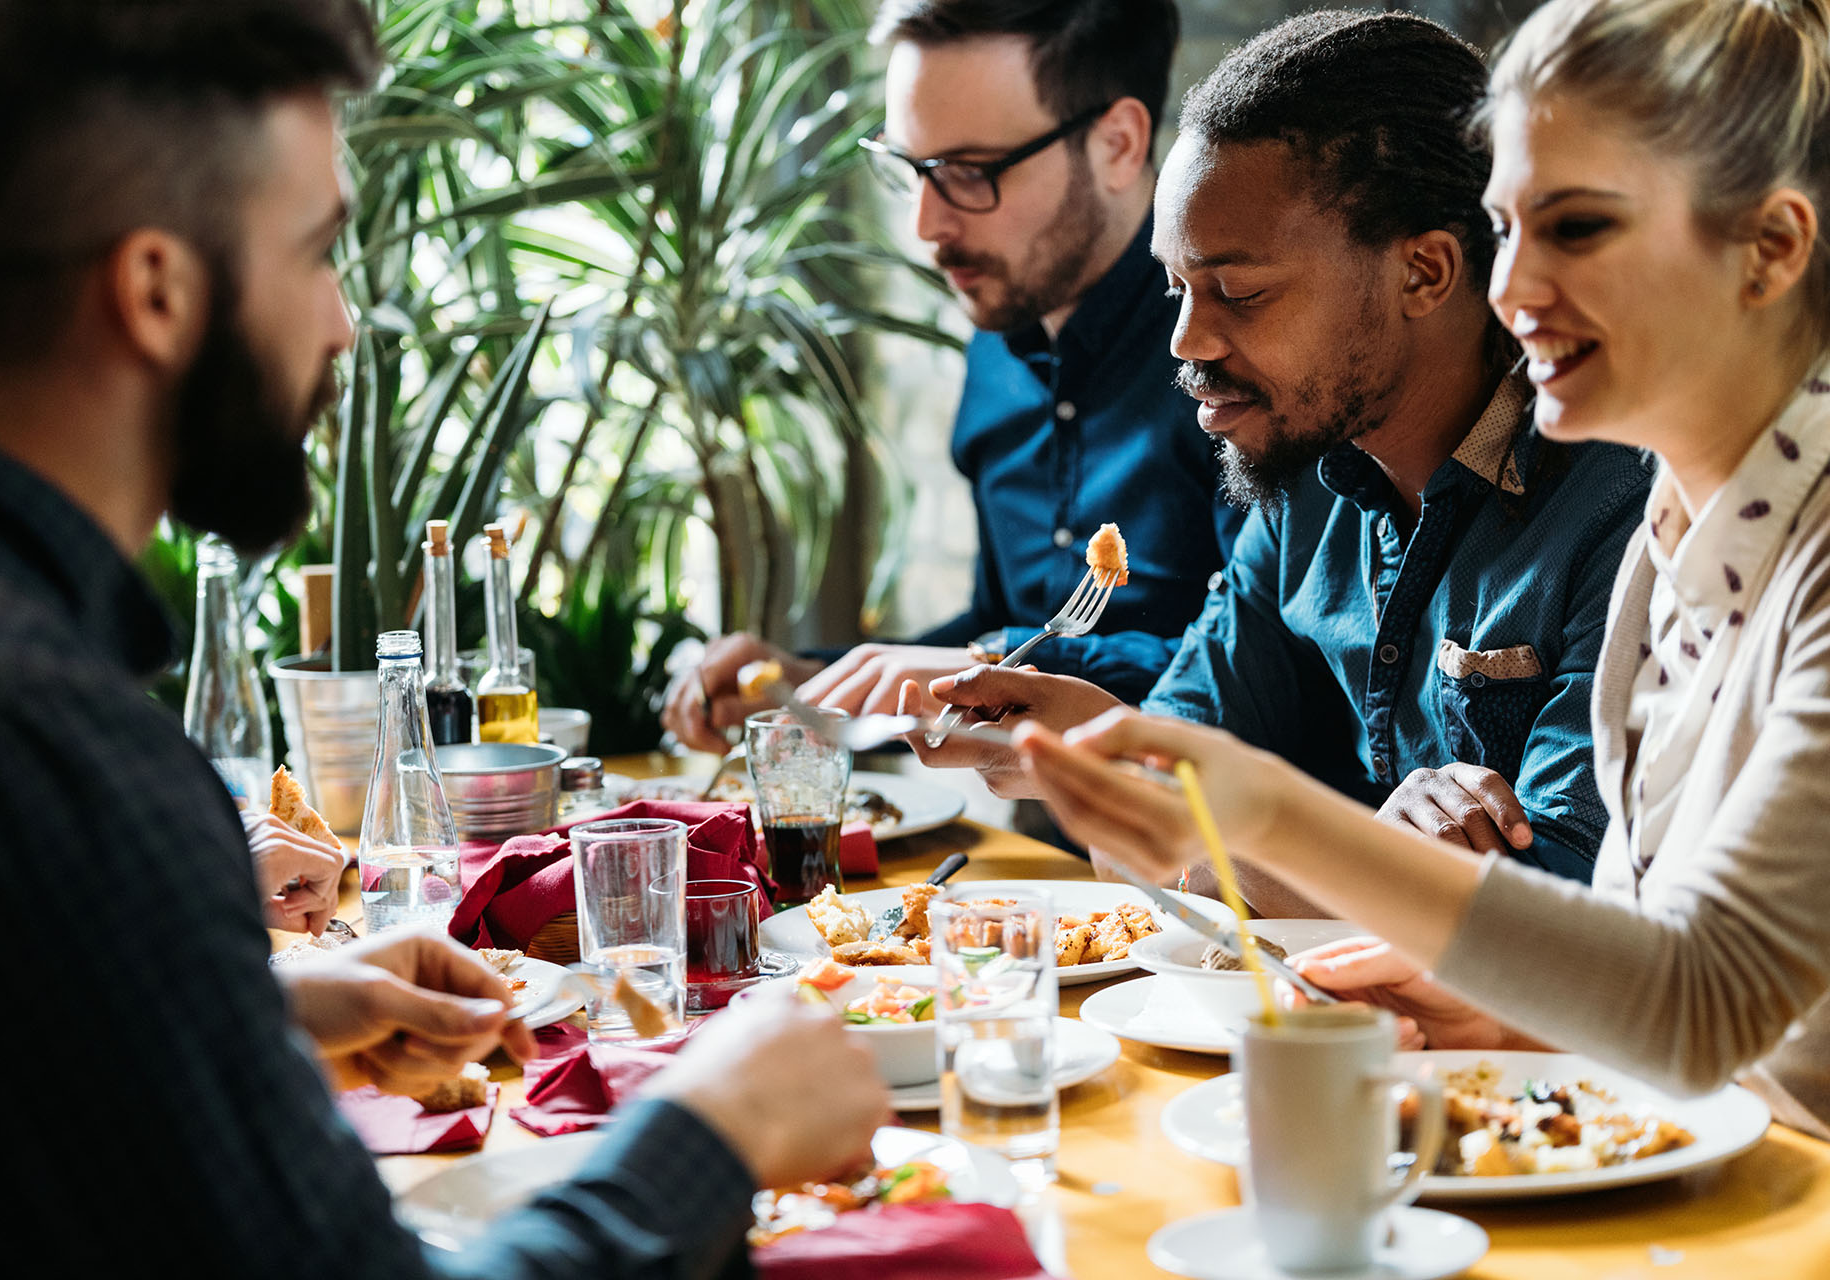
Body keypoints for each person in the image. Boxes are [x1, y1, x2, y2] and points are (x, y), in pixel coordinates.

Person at [0, 2, 887, 1275]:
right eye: (316, 252)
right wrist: (712, 1131)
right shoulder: (50, 752)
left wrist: (243, 1008)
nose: (343, 324)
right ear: (156, 289)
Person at [1014, 0, 1830, 1140]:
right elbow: (1653, 971)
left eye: (1579, 228)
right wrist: (1506, 1015)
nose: (1513, 287)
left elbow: (1699, 1003)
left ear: (1774, 250)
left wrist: (1270, 817)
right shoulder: (1671, 528)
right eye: (1509, 228)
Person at [904, 8, 1654, 911]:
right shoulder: (1306, 485)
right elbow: (1140, 845)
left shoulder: (1627, 507)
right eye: (1175, 286)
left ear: (1425, 272)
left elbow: (1572, 929)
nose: (1185, 341)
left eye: (1240, 292)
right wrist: (1115, 757)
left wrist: (1200, 808)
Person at [662, 0, 1239, 751]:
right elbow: (997, 623)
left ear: (1119, 144)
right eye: (911, 170)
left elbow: (1261, 667)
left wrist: (996, 663)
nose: (926, 228)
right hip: (1044, 851)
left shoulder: (1234, 353)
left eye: (969, 172)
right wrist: (807, 676)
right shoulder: (998, 346)